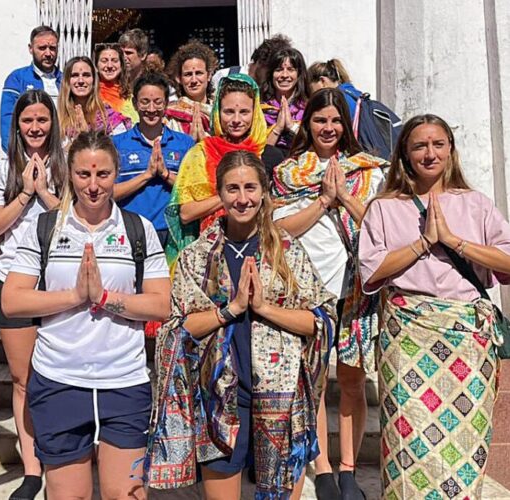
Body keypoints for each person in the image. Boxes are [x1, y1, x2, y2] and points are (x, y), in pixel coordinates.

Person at [146, 150, 336, 499]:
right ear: (219, 193)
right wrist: (230, 309)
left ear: (264, 191)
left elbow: (320, 321)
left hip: (281, 401)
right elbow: (179, 327)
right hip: (219, 399)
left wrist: (264, 308)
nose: (242, 198)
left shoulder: (286, 252)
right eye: (232, 189)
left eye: (250, 187)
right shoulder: (197, 256)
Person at [1, 131, 170, 499]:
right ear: (70, 174)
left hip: (124, 380)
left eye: (103, 175)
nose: (93, 186)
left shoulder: (138, 230)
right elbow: (13, 300)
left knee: (124, 494)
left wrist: (105, 297)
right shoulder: (44, 227)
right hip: (59, 379)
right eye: (83, 175)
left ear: (117, 172)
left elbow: (160, 305)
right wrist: (75, 295)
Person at [359, 114, 510, 499]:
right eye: (419, 146)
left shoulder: (475, 204)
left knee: (466, 439)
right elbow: (372, 271)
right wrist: (422, 245)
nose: (430, 154)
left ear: (450, 149)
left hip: (467, 339)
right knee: (408, 442)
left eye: (438, 144)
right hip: (407, 339)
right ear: (405, 155)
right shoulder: (383, 207)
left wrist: (454, 242)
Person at [270, 88, 389, 499]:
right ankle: (321, 469)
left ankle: (349, 470)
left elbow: (381, 225)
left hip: (355, 288)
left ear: (347, 125)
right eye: (320, 120)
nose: (328, 127)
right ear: (308, 124)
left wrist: (344, 197)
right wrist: (323, 201)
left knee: (353, 380)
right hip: (309, 291)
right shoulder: (288, 173)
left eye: (336, 120)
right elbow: (280, 230)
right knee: (315, 381)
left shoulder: (370, 172)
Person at [0, 88, 67, 500]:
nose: (35, 128)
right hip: (13, 280)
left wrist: (47, 190)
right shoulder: (1, 170)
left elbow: (78, 219)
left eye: (42, 119)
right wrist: (25, 192)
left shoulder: (69, 164)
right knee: (23, 380)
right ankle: (33, 471)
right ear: (17, 125)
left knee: (61, 376)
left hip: (60, 280)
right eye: (27, 121)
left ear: (53, 122)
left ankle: (63, 460)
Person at [164, 73, 268, 271]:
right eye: (228, 112)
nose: (236, 120)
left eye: (244, 112)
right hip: (211, 256)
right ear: (217, 112)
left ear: (255, 113)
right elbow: (185, 214)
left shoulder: (267, 154)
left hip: (261, 253)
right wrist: (229, 196)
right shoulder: (201, 154)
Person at [113, 72, 194, 248]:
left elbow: (193, 192)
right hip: (129, 232)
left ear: (166, 104)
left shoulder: (185, 143)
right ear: (135, 104)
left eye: (158, 102)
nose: (151, 109)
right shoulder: (117, 144)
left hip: (172, 234)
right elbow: (109, 193)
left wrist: (165, 174)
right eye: (144, 102)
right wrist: (146, 175)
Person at [308, 58, 402, 160]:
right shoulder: (353, 94)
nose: (311, 95)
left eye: (311, 89)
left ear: (322, 81)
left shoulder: (338, 100)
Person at [0, 26, 62, 152]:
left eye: (52, 48)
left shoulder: (66, 80)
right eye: (42, 48)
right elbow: (8, 121)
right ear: (30, 48)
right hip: (26, 154)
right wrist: (16, 156)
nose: (48, 53)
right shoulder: (17, 79)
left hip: (61, 155)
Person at [58, 56, 131, 146]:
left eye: (86, 75)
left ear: (94, 80)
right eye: (75, 75)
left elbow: (119, 152)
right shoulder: (57, 120)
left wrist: (86, 135)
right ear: (67, 81)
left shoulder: (110, 119)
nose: (81, 80)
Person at [260, 47, 310, 168]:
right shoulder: (260, 109)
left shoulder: (309, 108)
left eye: (290, 69)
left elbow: (313, 147)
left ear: (298, 74)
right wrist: (278, 128)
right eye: (279, 70)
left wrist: (291, 127)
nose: (284, 75)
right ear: (271, 74)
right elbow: (259, 151)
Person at [164, 40, 218, 142]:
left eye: (198, 73)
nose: (194, 80)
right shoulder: (169, 116)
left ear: (209, 75)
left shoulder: (221, 112)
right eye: (188, 74)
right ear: (179, 78)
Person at [211, 33, 292, 89]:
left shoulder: (273, 88)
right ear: (260, 61)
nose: (272, 76)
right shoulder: (224, 76)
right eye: (270, 71)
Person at [95, 42, 139, 124]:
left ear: (121, 66)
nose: (109, 65)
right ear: (96, 66)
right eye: (104, 61)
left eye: (114, 61)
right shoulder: (92, 96)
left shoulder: (129, 96)